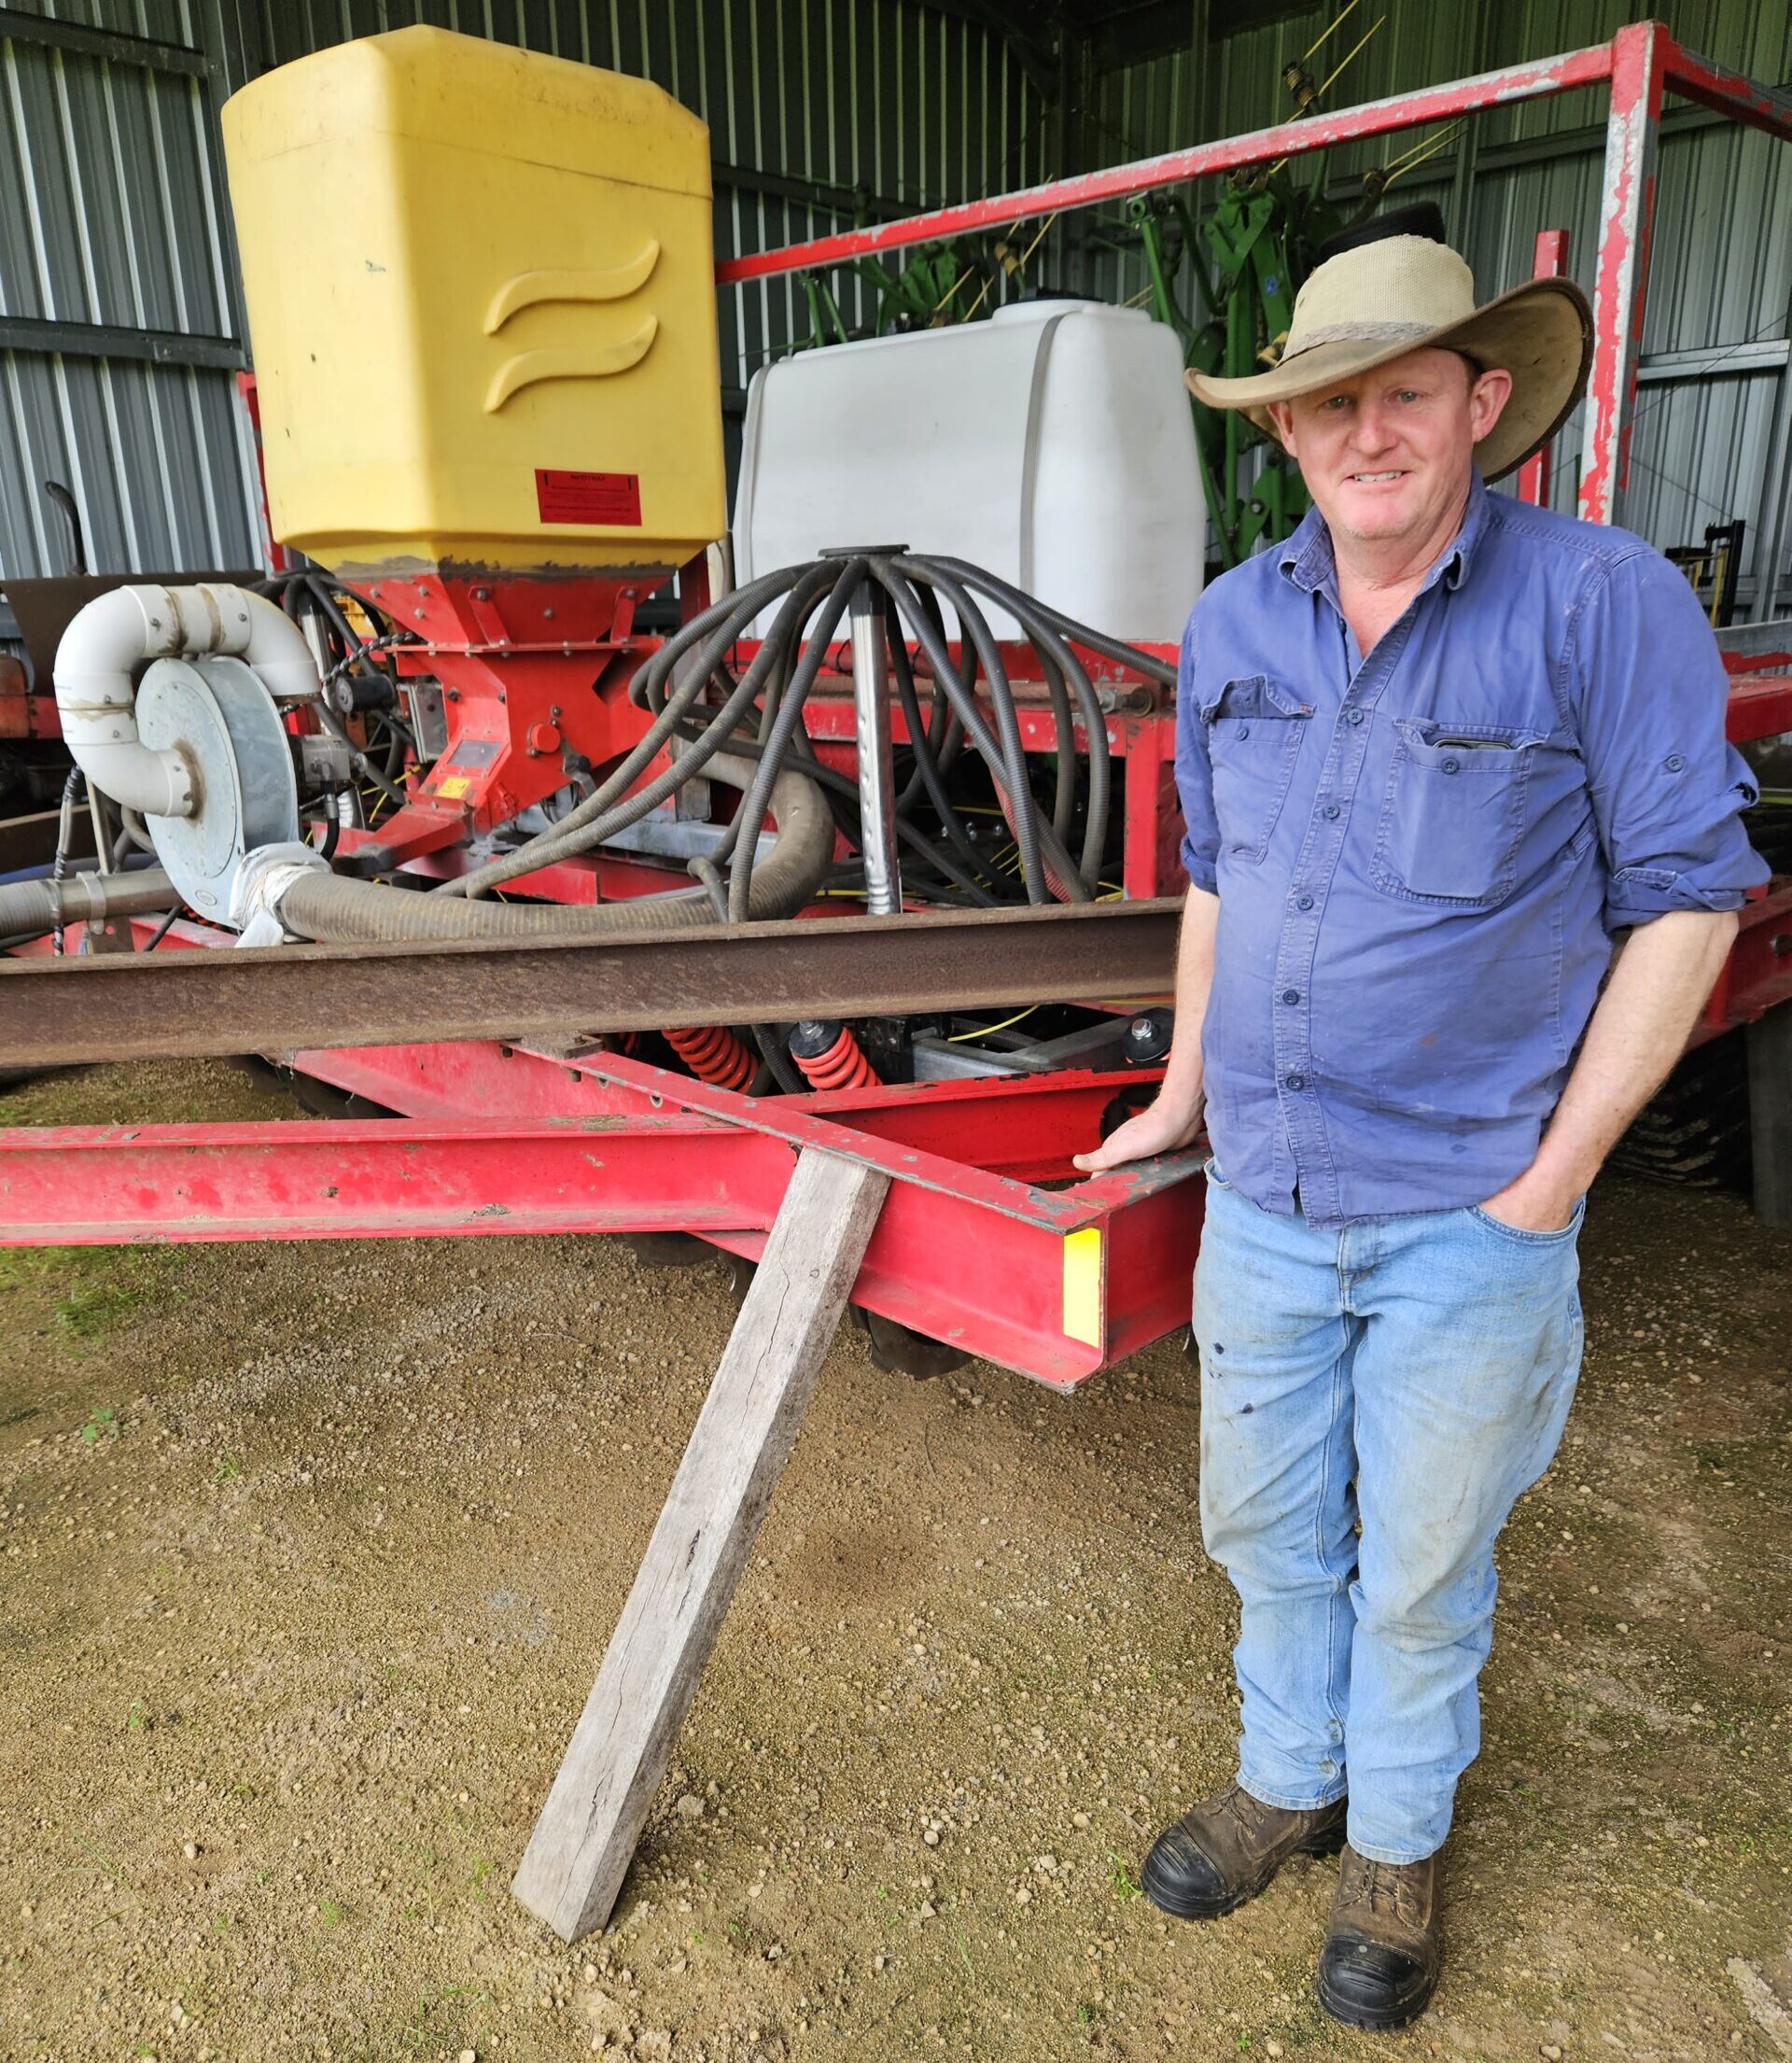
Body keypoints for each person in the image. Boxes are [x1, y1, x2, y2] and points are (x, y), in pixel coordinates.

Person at [1072, 213, 1767, 2032]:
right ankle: (1289, 1777)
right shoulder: (1236, 616)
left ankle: (1392, 1837)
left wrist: (1556, 1180)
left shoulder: (1602, 605)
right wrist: (1178, 1096)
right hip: (1272, 1196)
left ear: (1478, 400)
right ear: (1286, 435)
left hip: (1477, 1207)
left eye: (1402, 394)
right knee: (1268, 1528)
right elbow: (1222, 877)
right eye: (1325, 408)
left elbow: (1688, 898)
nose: (1364, 434)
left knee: (1427, 1560)